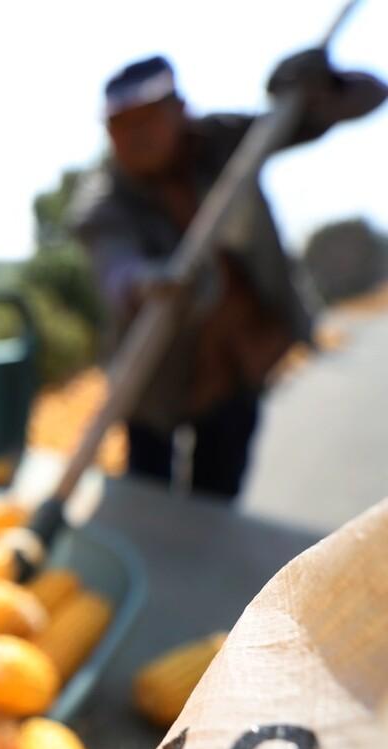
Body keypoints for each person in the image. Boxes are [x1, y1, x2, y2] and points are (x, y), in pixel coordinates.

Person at [70, 51, 386, 500]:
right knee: (148, 495)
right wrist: (150, 283)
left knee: (215, 498)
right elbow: (115, 266)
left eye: (147, 118)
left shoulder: (223, 141)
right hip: (152, 374)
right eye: (122, 126)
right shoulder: (105, 197)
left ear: (179, 110)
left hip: (235, 363)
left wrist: (321, 87)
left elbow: (367, 97)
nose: (136, 135)